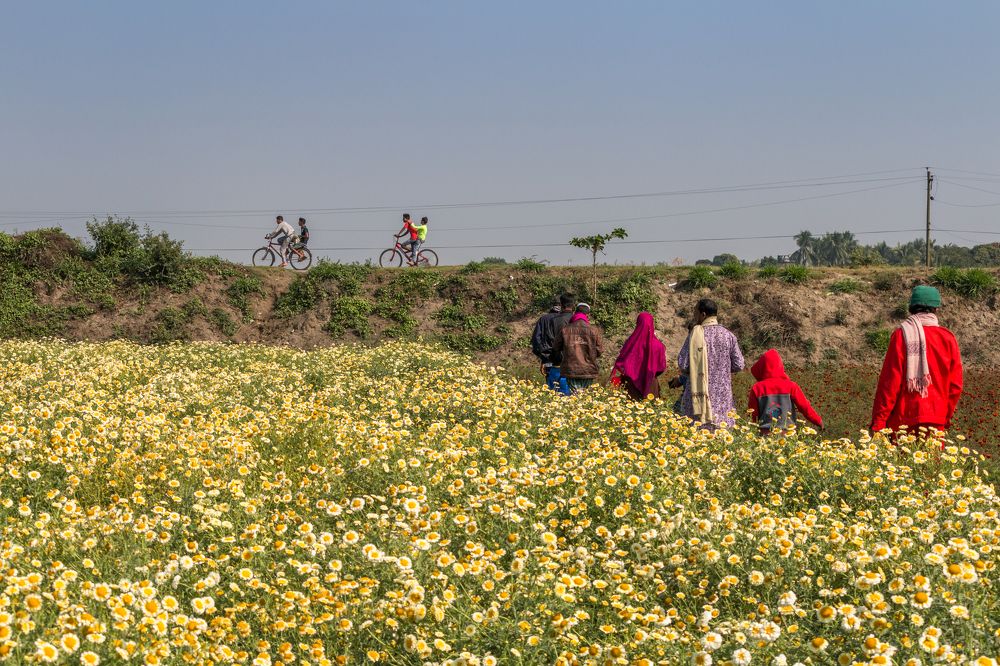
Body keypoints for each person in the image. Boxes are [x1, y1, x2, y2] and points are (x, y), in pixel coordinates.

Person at [870, 285, 963, 437]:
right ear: (936, 309)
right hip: (935, 423)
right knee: (932, 461)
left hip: (902, 423)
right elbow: (955, 387)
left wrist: (879, 422)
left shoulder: (901, 335)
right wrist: (944, 418)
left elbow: (890, 384)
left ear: (911, 308)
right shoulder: (948, 338)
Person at [677, 298, 745, 428]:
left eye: (695, 312)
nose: (694, 316)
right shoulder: (728, 336)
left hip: (697, 398)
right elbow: (739, 364)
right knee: (720, 438)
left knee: (695, 436)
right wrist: (721, 369)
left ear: (703, 314)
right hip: (722, 397)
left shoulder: (694, 335)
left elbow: (683, 364)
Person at [747, 349, 823, 434]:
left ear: (763, 367)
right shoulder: (791, 386)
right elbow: (805, 407)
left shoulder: (757, 388)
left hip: (765, 434)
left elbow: (753, 414)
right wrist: (818, 421)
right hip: (788, 434)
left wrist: (753, 431)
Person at [610, 311, 667, 400]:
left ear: (638, 323)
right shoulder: (658, 345)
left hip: (630, 386)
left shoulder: (631, 343)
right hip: (650, 386)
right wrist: (648, 374)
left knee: (628, 411)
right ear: (652, 324)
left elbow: (622, 363)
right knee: (649, 412)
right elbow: (661, 368)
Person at [552, 303, 603, 394]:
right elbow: (599, 351)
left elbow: (556, 348)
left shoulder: (565, 329)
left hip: (571, 369)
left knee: (575, 395)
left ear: (575, 313)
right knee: (584, 396)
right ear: (587, 315)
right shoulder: (594, 330)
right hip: (588, 369)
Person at [530, 293, 574, 395]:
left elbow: (537, 340)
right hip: (571, 363)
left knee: (553, 391)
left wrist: (544, 359)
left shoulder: (545, 319)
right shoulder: (573, 319)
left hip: (551, 361)